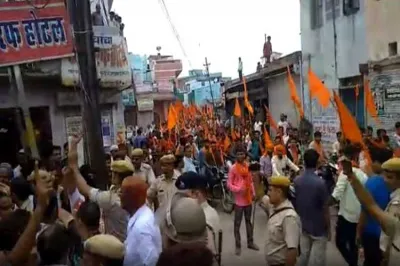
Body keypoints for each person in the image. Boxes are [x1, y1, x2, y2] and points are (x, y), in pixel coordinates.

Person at [68, 135, 132, 242]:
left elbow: (84, 189)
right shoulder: (135, 193)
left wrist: (74, 166)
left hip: (117, 246)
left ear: (116, 176)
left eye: (113, 173)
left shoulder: (111, 199)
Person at [346, 157, 400, 266]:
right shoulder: (393, 196)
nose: (385, 180)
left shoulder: (397, 204)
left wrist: (352, 178)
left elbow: (370, 206)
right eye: (384, 176)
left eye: (390, 177)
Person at [332, 145, 368, 266]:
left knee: (340, 243)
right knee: (353, 245)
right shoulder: (364, 175)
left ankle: (352, 263)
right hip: (359, 216)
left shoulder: (346, 174)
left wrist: (323, 205)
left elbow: (336, 195)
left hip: (346, 216)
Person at [356, 147, 393, 266]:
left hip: (371, 234)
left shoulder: (371, 183)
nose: (371, 164)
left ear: (380, 163)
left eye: (373, 161)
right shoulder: (395, 183)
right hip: (390, 236)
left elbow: (364, 212)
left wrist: (358, 232)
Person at [294, 149, 330, 266]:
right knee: (319, 260)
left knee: (303, 256)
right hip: (319, 227)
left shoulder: (297, 181)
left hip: (304, 224)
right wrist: (329, 228)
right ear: (317, 163)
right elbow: (325, 208)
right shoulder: (320, 183)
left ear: (304, 162)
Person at [175, 171, 221, 256]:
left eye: (183, 197)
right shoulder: (206, 212)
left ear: (196, 194)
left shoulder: (202, 219)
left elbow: (209, 253)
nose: (179, 200)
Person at [120, 178, 162, 266]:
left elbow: (152, 261)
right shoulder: (140, 214)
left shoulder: (141, 226)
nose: (119, 195)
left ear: (132, 197)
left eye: (122, 192)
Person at [227, 145, 259, 255]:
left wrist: (254, 193)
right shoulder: (233, 168)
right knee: (237, 224)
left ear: (245, 155)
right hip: (238, 201)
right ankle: (238, 246)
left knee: (248, 222)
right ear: (235, 156)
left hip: (248, 200)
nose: (241, 156)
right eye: (238, 154)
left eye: (242, 154)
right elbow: (229, 184)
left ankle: (250, 242)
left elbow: (250, 181)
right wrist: (238, 189)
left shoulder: (247, 166)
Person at [265, 176, 301, 266]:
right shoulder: (274, 207)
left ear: (279, 192)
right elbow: (260, 196)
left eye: (270, 190)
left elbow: (292, 250)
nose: (268, 193)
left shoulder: (289, 217)